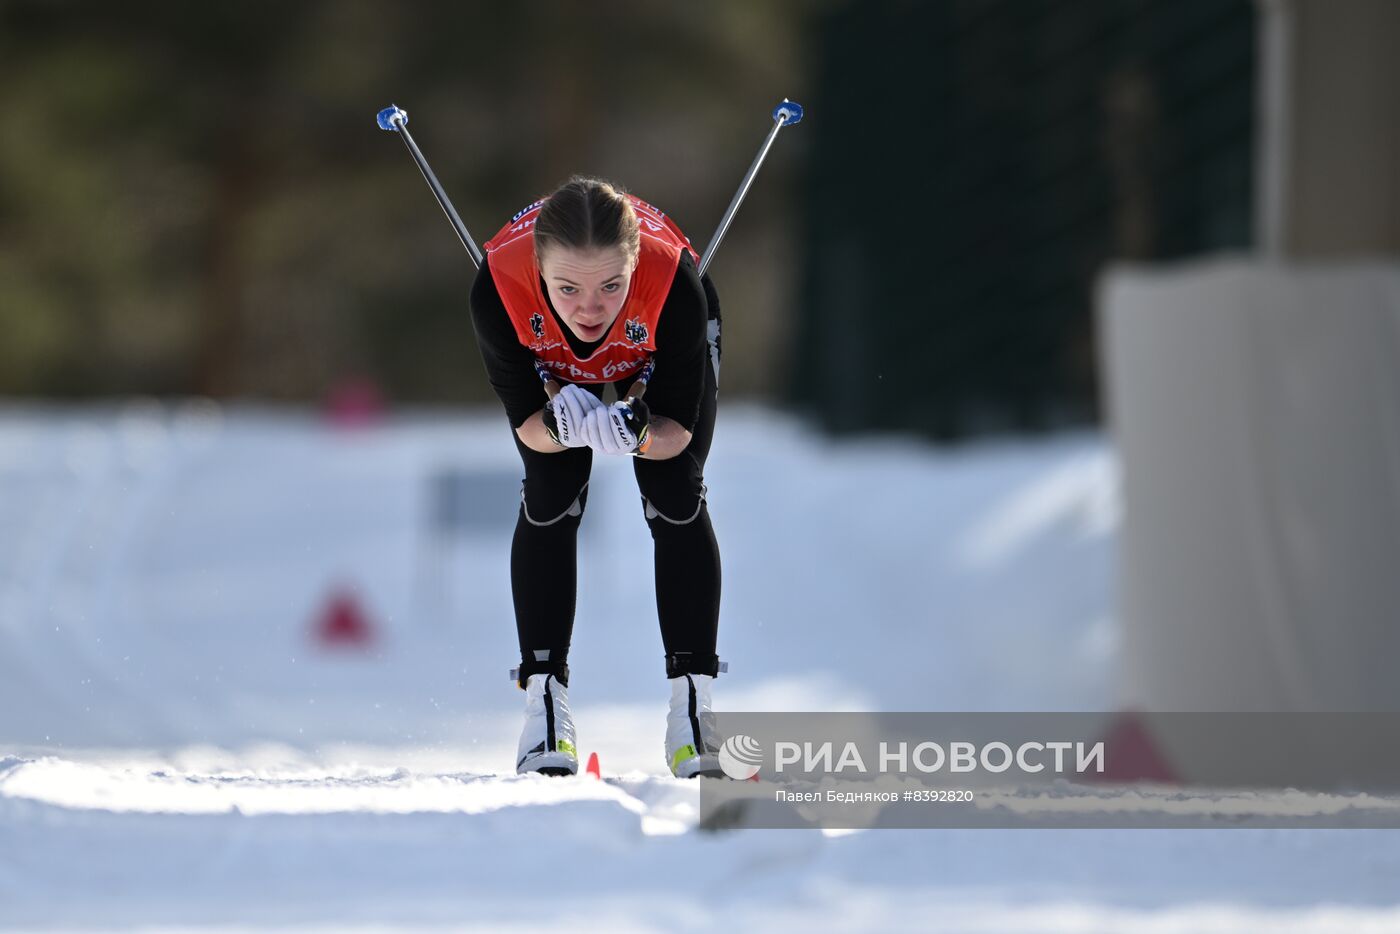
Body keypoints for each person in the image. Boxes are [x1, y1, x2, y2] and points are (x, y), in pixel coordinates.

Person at [469, 176, 725, 778]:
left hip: (656, 342)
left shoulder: (673, 284)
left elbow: (677, 435)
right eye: (568, 288)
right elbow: (528, 427)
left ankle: (693, 708)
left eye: (612, 285)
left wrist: (638, 428)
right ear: (538, 270)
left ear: (635, 264)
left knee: (674, 492)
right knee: (553, 491)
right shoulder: (497, 288)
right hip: (547, 355)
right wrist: (560, 426)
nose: (590, 308)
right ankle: (544, 705)